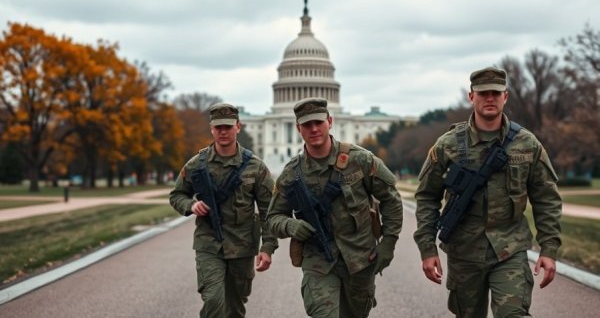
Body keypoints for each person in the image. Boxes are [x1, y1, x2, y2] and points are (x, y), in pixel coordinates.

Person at [413, 67, 562, 317]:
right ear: (471, 97)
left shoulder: (527, 144)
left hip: (509, 248)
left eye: (496, 92)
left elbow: (546, 198)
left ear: (506, 96)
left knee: (513, 313)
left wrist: (549, 248)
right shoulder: (447, 145)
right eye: (483, 93)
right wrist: (427, 249)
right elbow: (427, 196)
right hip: (464, 252)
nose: (490, 98)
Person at [267, 97, 403, 318]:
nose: (313, 129)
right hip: (318, 260)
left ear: (330, 121)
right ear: (298, 128)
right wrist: (290, 225)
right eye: (307, 125)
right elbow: (273, 217)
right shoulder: (292, 173)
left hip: (359, 258)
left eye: (318, 122)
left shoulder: (360, 160)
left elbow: (391, 199)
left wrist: (388, 243)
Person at [169, 103, 278, 318]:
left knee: (235, 307)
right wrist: (190, 205)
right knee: (214, 301)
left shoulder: (256, 166)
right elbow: (176, 195)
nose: (223, 131)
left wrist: (267, 247)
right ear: (211, 129)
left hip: (243, 245)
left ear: (238, 126)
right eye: (218, 127)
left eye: (228, 126)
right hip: (209, 243)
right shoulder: (196, 165)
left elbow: (269, 210)